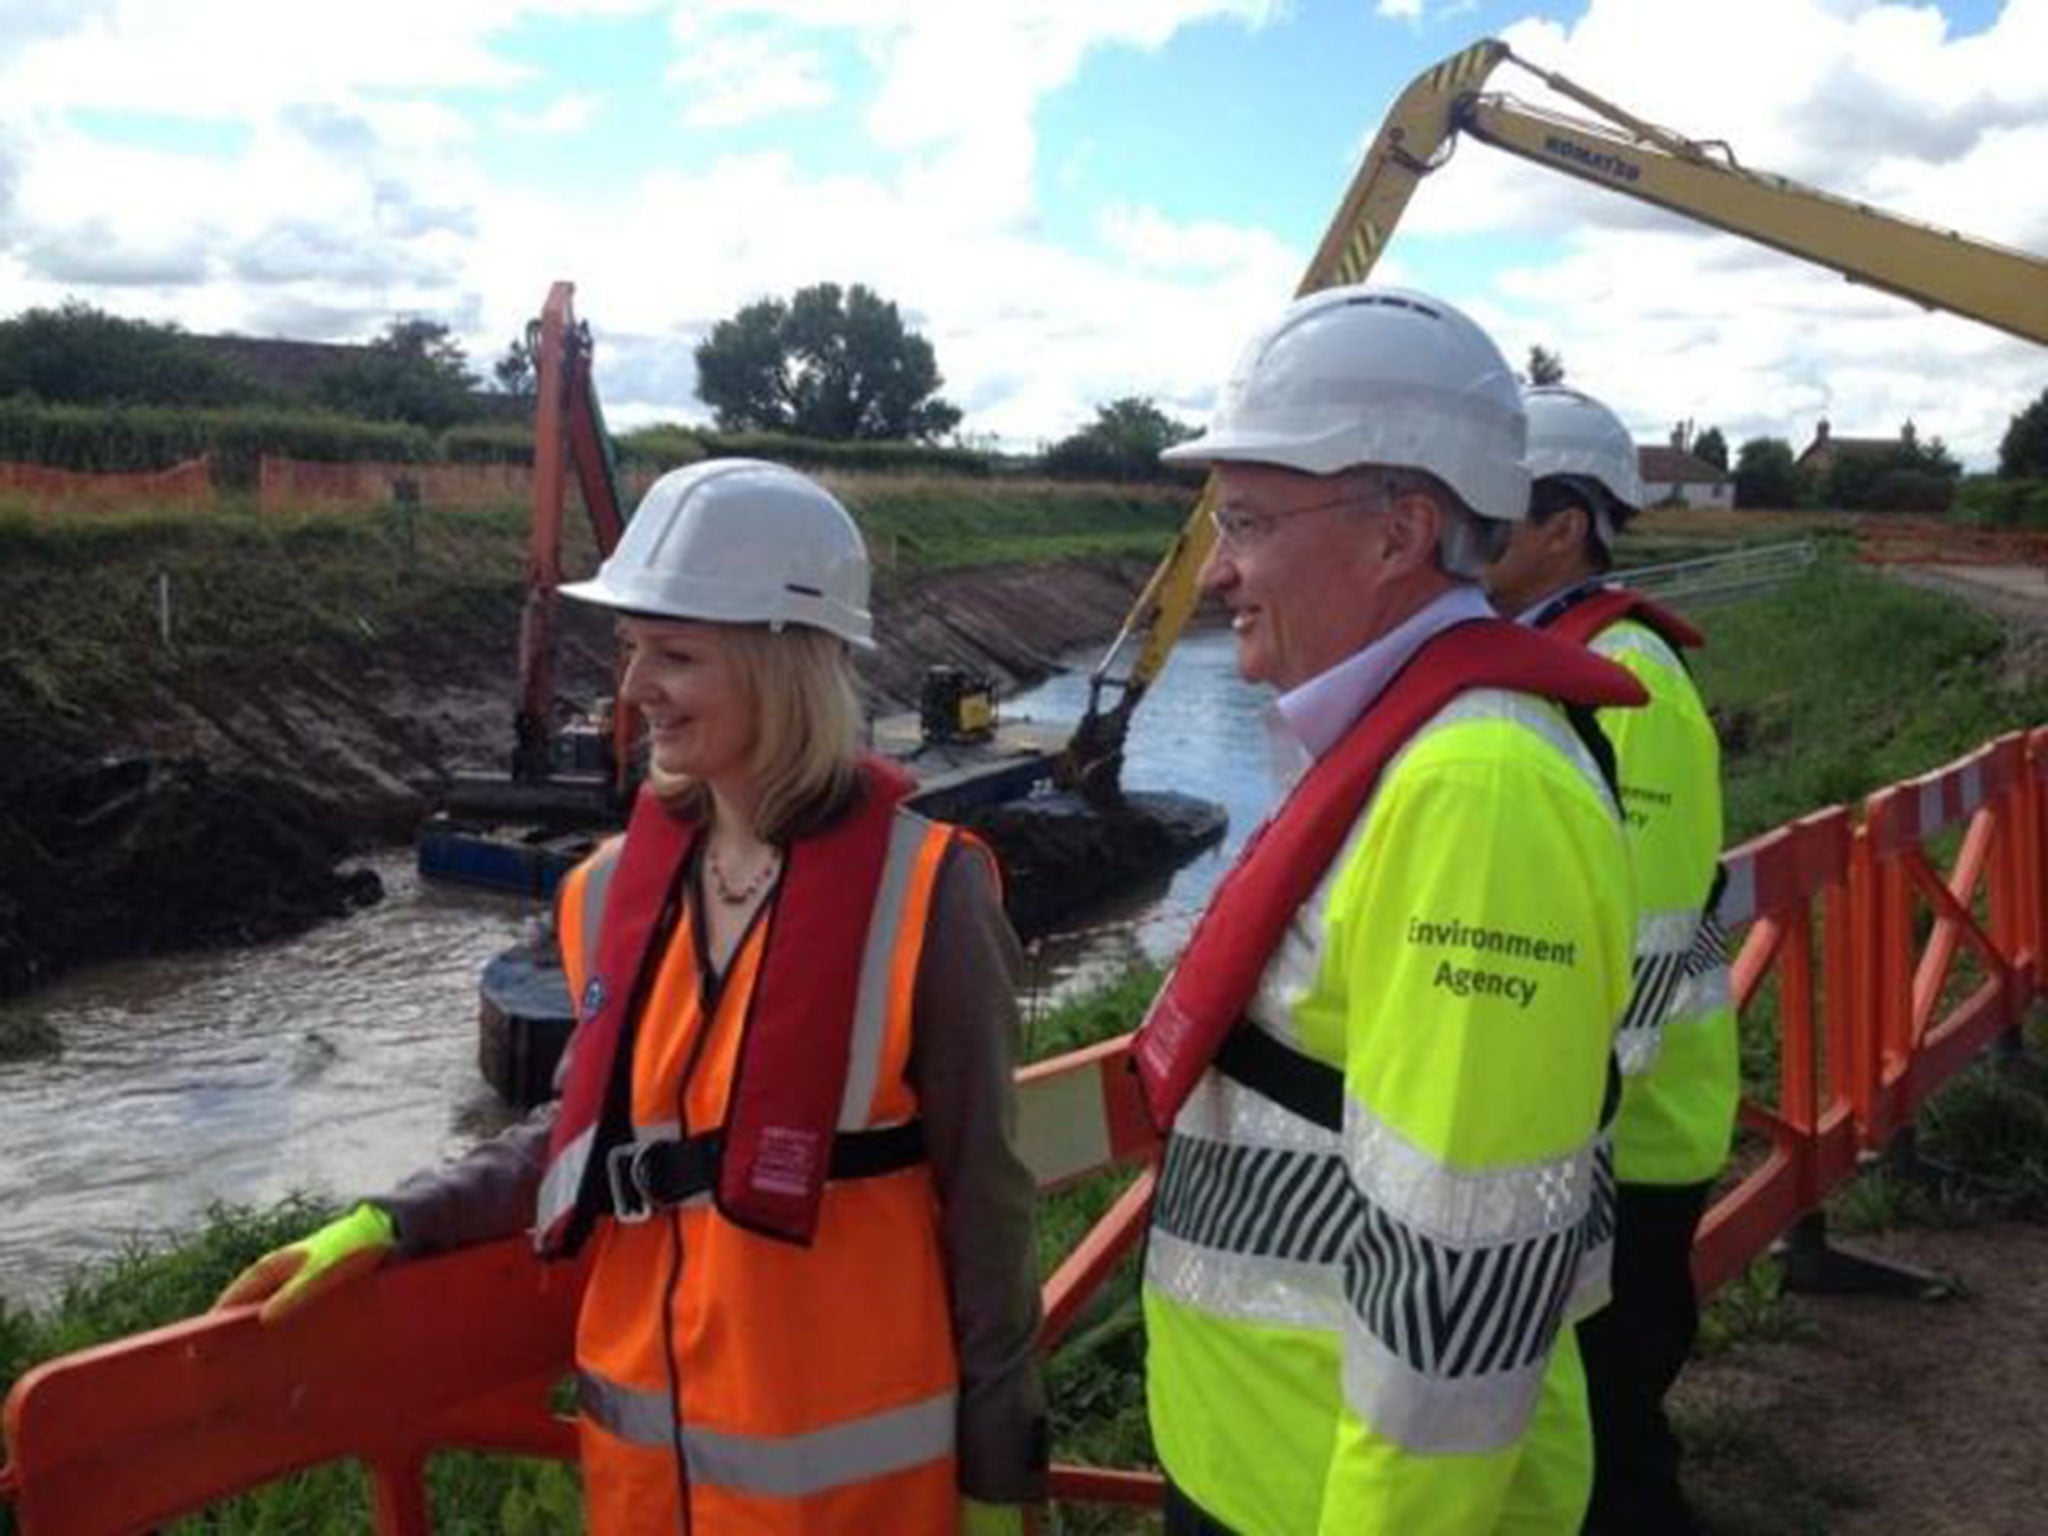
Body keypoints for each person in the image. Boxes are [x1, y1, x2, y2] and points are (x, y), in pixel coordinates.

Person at [215, 459, 1049, 1535]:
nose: (632, 688)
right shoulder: (609, 887)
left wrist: (998, 1473)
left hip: (854, 1495)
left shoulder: (926, 892)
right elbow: (575, 1130)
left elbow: (987, 1203)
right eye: (628, 651)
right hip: (647, 1489)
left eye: (676, 654)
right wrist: (396, 1218)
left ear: (785, 661)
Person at [1131, 285, 1644, 1535]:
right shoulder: (1393, 746)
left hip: (1343, 1498)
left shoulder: (1473, 797)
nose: (1218, 571)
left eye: (1245, 519)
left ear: (1396, 530)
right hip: (1265, 1461)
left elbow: (1465, 1263)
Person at [1484, 387, 1738, 1536]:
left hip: (1622, 1146)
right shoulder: (1557, 657)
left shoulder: (1627, 679)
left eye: (1497, 508)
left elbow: (1634, 948)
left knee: (1611, 1434)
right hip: (1592, 1141)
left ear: (1565, 526)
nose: (1470, 531)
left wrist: (1553, 1134)